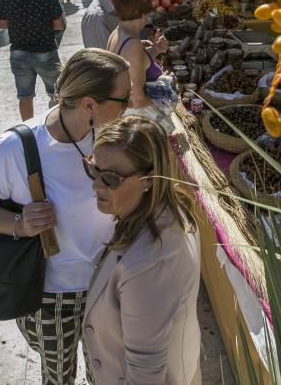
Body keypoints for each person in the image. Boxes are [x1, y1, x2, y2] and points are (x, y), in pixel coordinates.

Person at [0, 49, 130, 385]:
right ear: (89, 104)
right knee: (58, 378)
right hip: (52, 299)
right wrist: (18, 224)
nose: (130, 104)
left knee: (107, 373)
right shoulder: (15, 149)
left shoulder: (109, 136)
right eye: (124, 97)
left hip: (108, 285)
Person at [84, 115, 201, 384]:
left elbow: (145, 375)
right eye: (92, 169)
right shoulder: (172, 207)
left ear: (148, 179)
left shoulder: (147, 269)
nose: (96, 185)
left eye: (111, 179)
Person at [0, 0, 65, 120]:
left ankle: (28, 128)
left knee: (25, 96)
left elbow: (3, 23)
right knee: (56, 93)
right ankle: (58, 125)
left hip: (19, 53)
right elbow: (59, 25)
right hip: (45, 51)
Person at [107, 0, 168, 109]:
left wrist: (154, 50)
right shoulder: (134, 45)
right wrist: (167, 88)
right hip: (139, 120)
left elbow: (132, 67)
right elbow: (137, 101)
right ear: (143, 12)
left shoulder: (116, 33)